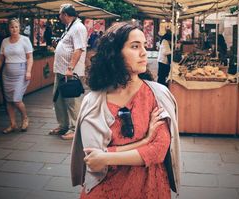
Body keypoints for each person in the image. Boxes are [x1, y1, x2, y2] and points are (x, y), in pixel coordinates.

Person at [70, 22, 180, 198]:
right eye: (135, 46)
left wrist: (106, 156)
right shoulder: (93, 102)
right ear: (114, 54)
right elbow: (93, 160)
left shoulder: (158, 95)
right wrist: (146, 140)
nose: (144, 52)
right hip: (104, 189)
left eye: (144, 45)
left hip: (149, 189)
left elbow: (158, 151)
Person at [49, 3, 88, 140]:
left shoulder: (78, 27)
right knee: (58, 99)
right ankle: (63, 125)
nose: (59, 17)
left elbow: (79, 49)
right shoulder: (70, 27)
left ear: (65, 14)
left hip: (71, 72)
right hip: (61, 71)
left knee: (72, 102)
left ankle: (74, 128)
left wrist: (70, 68)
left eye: (60, 14)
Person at [0, 19, 33, 134]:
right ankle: (13, 124)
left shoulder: (25, 40)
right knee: (9, 101)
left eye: (16, 27)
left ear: (19, 27)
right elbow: (1, 58)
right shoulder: (5, 41)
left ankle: (25, 117)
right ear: (8, 29)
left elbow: (30, 57)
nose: (14, 29)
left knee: (16, 99)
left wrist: (28, 71)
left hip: (21, 71)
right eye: (12, 27)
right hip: (7, 73)